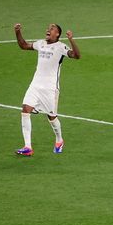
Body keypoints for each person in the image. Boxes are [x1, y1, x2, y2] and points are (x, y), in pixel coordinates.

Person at [14, 23, 81, 156]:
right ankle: (28, 147)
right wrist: (17, 32)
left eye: (52, 28)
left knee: (51, 116)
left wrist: (71, 40)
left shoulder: (61, 47)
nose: (48, 30)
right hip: (35, 86)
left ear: (57, 34)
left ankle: (59, 140)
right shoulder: (41, 44)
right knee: (25, 109)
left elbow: (76, 55)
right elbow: (23, 45)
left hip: (50, 89)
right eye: (48, 28)